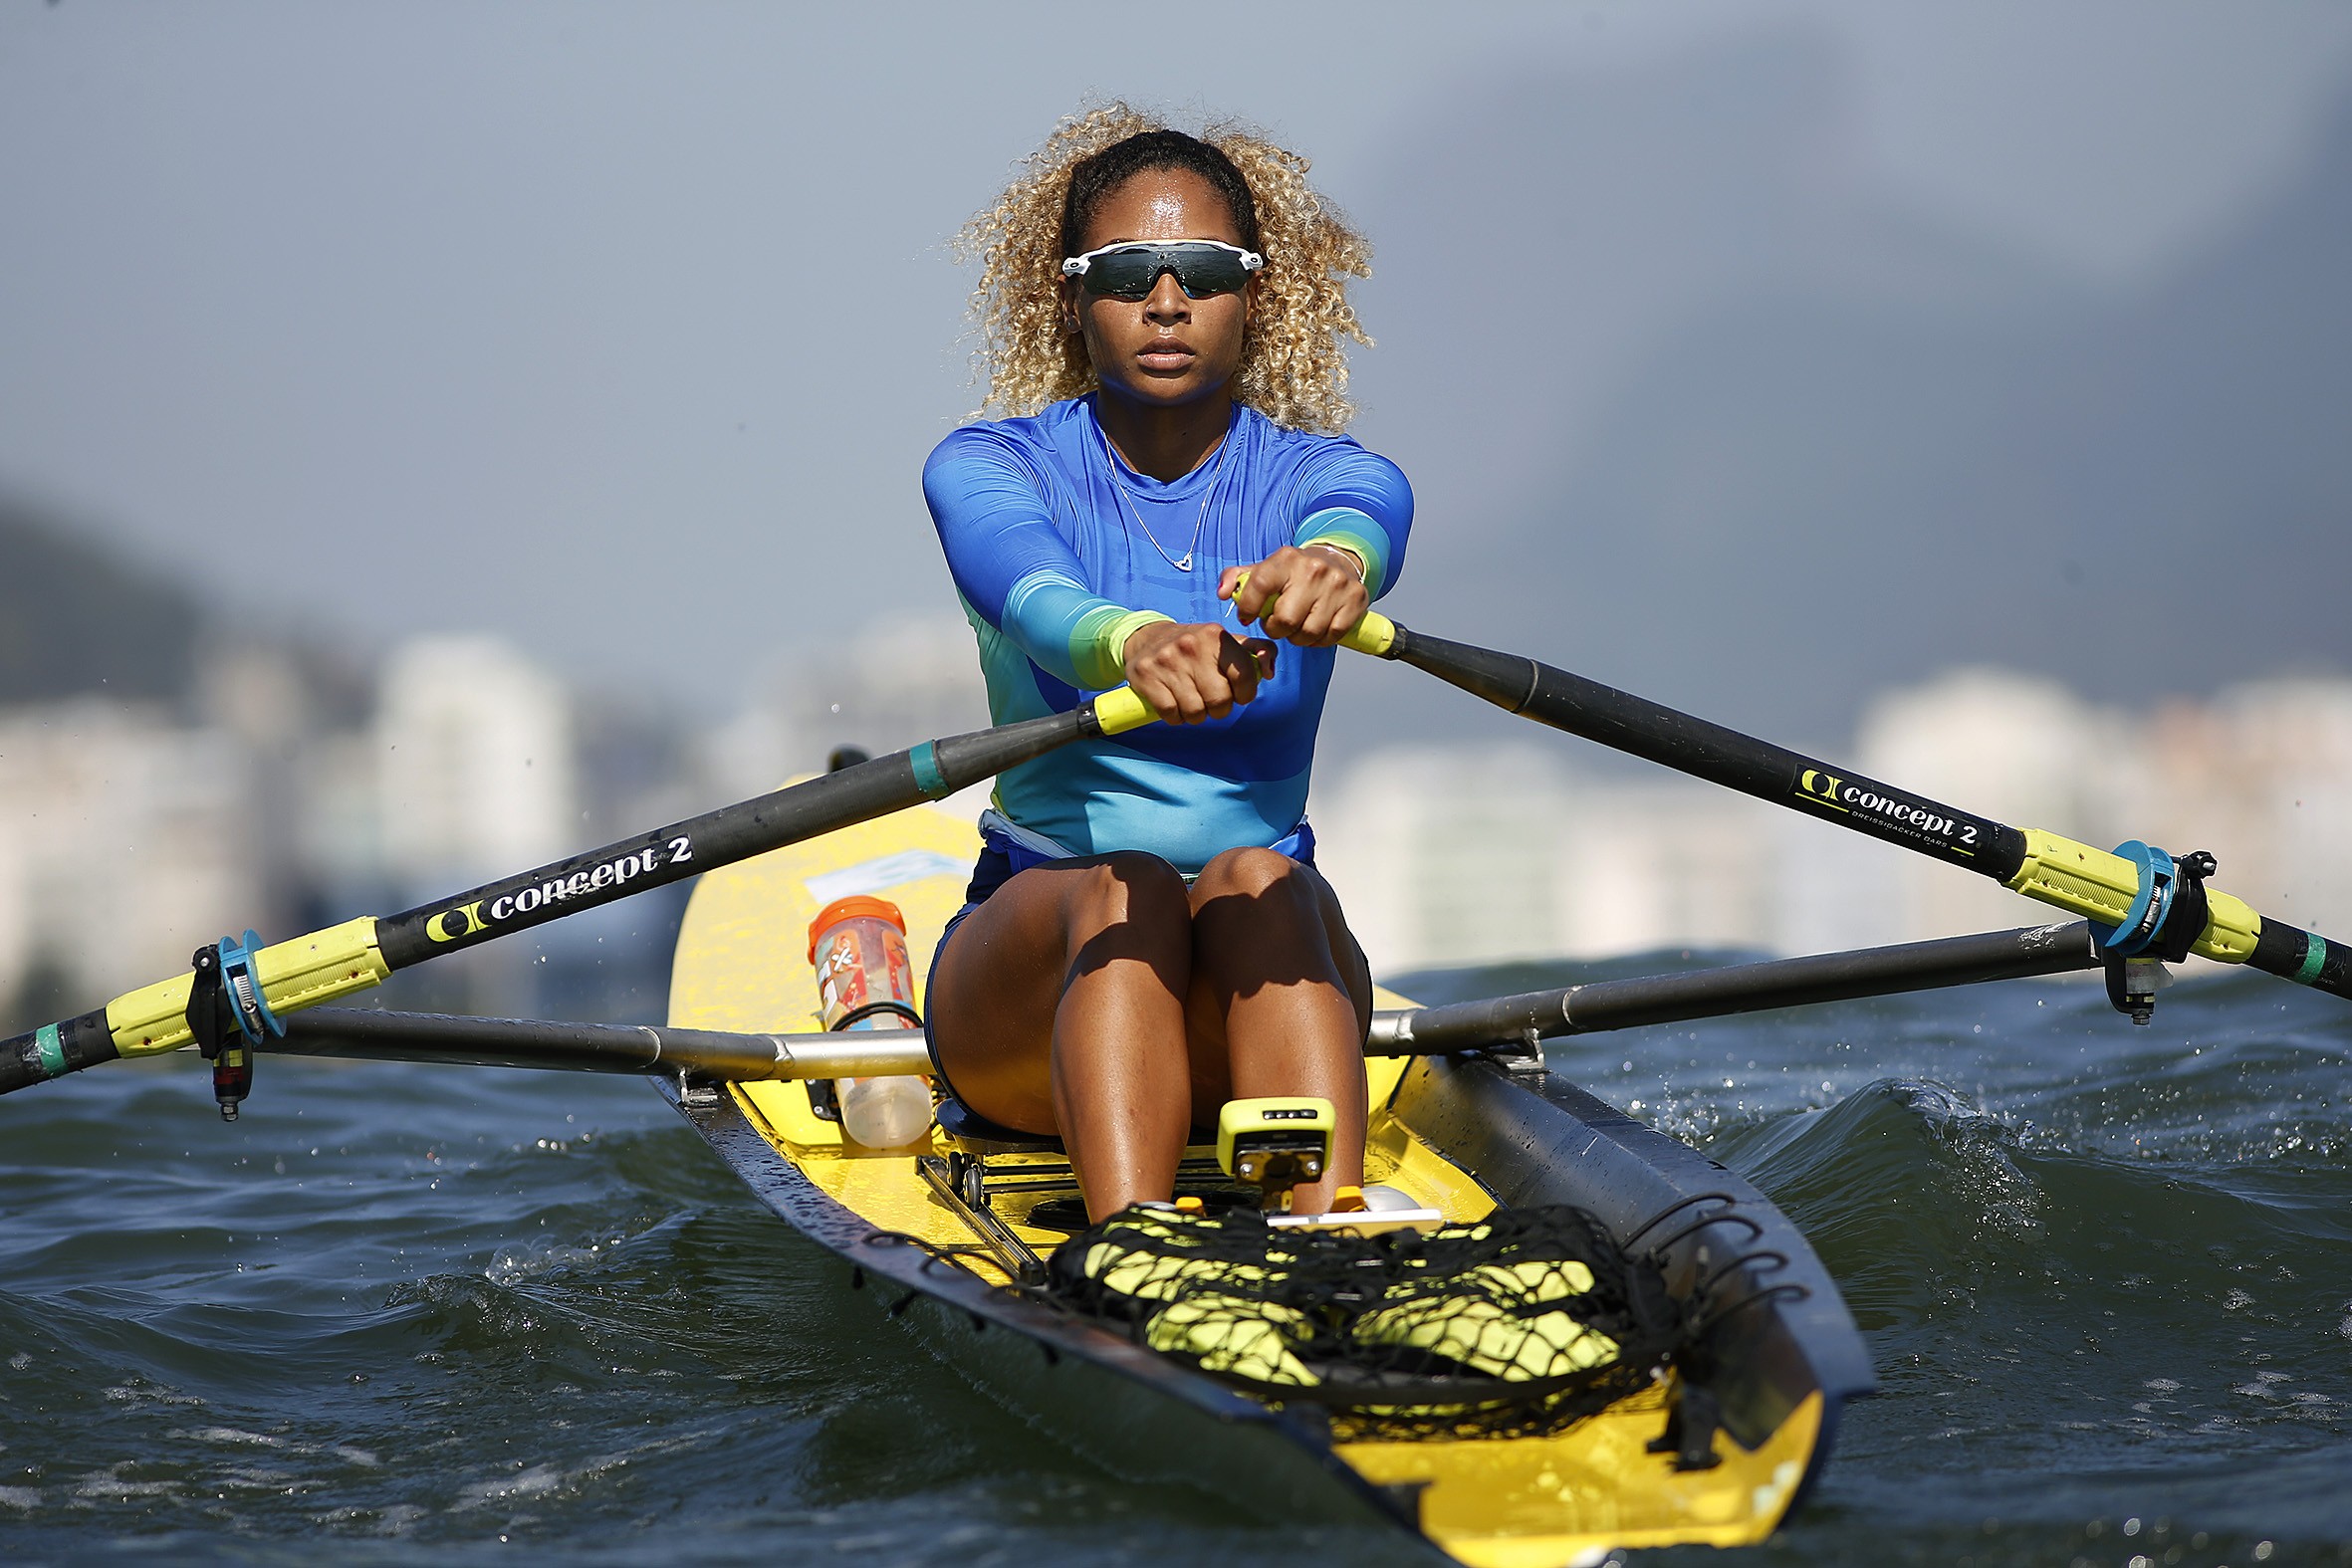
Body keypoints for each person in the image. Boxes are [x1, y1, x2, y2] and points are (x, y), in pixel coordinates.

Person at [922, 107, 1412, 1222]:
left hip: (1251, 974)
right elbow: (1033, 594)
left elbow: (1363, 517)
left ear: (1255, 292)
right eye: (1126, 270)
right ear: (1068, 295)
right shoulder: (990, 466)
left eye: (1200, 268)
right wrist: (1131, 645)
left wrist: (1336, 568)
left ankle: (1333, 1228)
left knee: (1260, 878)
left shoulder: (1327, 475)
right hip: (1032, 993)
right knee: (1129, 884)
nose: (1164, 299)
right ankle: (1133, 1243)